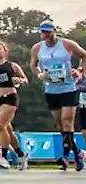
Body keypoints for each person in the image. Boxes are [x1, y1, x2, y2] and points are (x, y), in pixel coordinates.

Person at [30, 20, 86, 171]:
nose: (46, 35)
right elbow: (33, 65)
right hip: (51, 89)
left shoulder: (67, 44)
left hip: (68, 88)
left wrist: (79, 71)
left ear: (55, 31)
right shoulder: (37, 48)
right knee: (60, 125)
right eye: (43, 32)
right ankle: (78, 153)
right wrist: (40, 74)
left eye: (48, 32)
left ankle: (65, 157)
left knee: (67, 122)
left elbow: (84, 55)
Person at [0, 40, 30, 170]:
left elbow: (25, 79)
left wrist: (19, 80)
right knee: (7, 129)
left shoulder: (12, 66)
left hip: (9, 97)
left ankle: (3, 157)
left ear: (5, 51)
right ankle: (20, 154)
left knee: (1, 126)